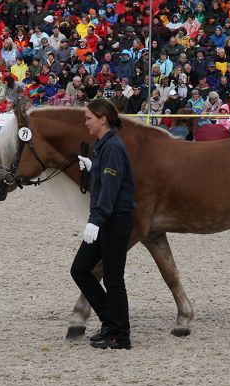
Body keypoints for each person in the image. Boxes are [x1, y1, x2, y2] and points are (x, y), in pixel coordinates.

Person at [72, 99, 136, 350]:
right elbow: (105, 180)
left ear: (103, 119)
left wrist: (95, 220)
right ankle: (110, 321)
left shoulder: (112, 148)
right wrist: (93, 168)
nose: (85, 122)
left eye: (89, 117)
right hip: (106, 219)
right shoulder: (102, 145)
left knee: (113, 278)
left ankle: (121, 335)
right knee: (80, 269)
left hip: (114, 220)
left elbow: (111, 189)